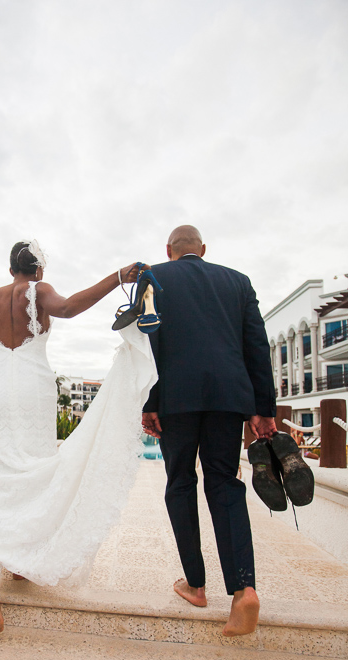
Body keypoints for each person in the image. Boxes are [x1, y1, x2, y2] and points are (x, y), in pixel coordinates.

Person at [0, 240, 157, 632]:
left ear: (10, 265)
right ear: (38, 269)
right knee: (34, 473)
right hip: (33, 390)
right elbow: (67, 308)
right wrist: (116, 278)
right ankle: (23, 558)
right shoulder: (39, 292)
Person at [142, 225, 276, 637]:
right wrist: (262, 409)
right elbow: (257, 345)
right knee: (224, 484)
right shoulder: (238, 282)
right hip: (227, 397)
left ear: (169, 250)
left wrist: (150, 403)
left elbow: (147, 342)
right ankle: (243, 589)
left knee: (180, 482)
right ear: (203, 249)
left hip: (176, 398)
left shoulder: (153, 277)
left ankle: (196, 586)